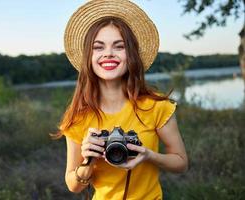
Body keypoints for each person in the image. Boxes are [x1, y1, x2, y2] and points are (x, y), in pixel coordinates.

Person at [56, 0, 188, 199]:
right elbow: (73, 185)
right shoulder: (78, 117)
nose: (108, 53)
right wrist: (87, 162)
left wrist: (148, 155)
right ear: (88, 58)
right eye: (98, 47)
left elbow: (181, 163)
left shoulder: (157, 107)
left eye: (119, 46)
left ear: (131, 54)